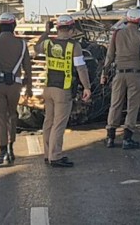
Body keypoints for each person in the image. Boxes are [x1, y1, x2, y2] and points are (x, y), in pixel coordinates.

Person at [34, 15, 92, 168]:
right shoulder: (74, 46)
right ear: (71, 30)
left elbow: (35, 47)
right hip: (63, 89)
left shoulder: (48, 43)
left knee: (49, 121)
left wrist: (46, 32)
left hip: (48, 88)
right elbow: (81, 67)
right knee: (59, 124)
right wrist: (87, 87)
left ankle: (47, 154)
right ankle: (55, 156)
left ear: (58, 28)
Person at [0, 12, 33, 164]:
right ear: (13, 26)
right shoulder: (22, 44)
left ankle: (2, 151)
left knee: (0, 118)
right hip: (15, 86)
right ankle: (11, 148)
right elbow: (28, 69)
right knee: (12, 115)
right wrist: (29, 88)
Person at [100, 7, 140, 149]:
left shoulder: (117, 34)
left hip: (119, 74)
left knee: (115, 104)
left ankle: (110, 137)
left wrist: (104, 73)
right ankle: (127, 139)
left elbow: (109, 56)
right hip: (135, 75)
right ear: (139, 21)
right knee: (132, 106)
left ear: (127, 19)